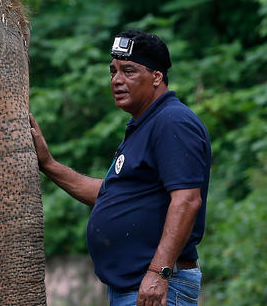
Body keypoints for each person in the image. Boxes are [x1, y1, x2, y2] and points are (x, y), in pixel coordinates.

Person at [30, 30, 211, 306]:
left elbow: (187, 200)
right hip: (133, 288)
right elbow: (112, 194)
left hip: (159, 286)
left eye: (129, 71)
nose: (117, 80)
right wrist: (49, 164)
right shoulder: (143, 125)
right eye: (113, 71)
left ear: (157, 77)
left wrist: (158, 272)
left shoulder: (172, 121)